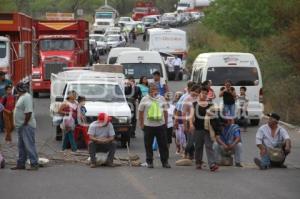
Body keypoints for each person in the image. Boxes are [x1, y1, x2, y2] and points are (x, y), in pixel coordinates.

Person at [138, 83, 170, 168]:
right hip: (148, 126)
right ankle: (149, 162)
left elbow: (165, 111)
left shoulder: (162, 98)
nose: (154, 91)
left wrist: (166, 123)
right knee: (148, 145)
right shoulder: (144, 99)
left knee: (163, 144)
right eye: (152, 90)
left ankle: (165, 162)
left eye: (155, 89)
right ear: (149, 91)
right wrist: (141, 124)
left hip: (160, 125)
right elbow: (140, 112)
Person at [189, 87, 219, 171]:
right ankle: (198, 162)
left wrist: (211, 113)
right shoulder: (194, 104)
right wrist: (191, 124)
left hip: (208, 129)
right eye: (202, 93)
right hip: (198, 128)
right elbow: (191, 115)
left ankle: (212, 164)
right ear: (199, 93)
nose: (204, 94)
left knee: (209, 146)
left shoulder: (210, 104)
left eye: (206, 93)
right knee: (198, 146)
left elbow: (215, 116)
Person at [11, 83, 39, 170]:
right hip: (21, 126)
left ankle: (34, 163)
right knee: (21, 146)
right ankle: (21, 163)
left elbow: (28, 112)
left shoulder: (26, 97)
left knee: (29, 145)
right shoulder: (22, 96)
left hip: (26, 126)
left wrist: (25, 123)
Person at [182, 84, 201, 160]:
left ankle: (191, 154)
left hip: (198, 121)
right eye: (194, 91)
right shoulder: (187, 99)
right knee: (190, 140)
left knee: (195, 140)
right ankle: (186, 152)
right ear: (191, 91)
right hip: (189, 121)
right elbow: (183, 113)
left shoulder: (200, 98)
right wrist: (184, 125)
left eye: (197, 92)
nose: (195, 93)